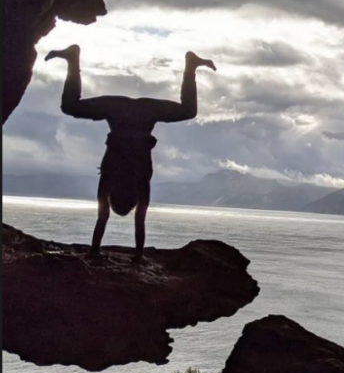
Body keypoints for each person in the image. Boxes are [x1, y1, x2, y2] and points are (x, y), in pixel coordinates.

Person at [43, 45, 216, 262]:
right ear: (114, 197)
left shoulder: (138, 183)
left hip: (143, 114)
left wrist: (137, 255)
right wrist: (100, 252)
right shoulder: (112, 180)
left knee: (188, 111)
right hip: (118, 111)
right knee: (70, 106)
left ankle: (190, 66)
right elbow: (105, 218)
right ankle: (72, 59)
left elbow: (135, 222)